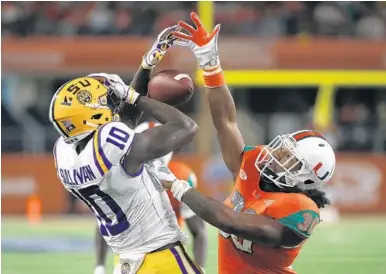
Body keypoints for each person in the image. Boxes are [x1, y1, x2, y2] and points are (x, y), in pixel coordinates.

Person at [158, 13, 336, 274]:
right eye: (283, 149)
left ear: (306, 178)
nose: (276, 155)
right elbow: (226, 122)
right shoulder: (254, 168)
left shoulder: (301, 209)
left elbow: (230, 222)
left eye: (290, 158)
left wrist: (175, 185)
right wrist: (210, 64)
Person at [50, 25, 203, 274]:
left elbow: (124, 121)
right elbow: (186, 127)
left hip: (126, 262)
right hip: (160, 260)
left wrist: (147, 63)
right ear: (91, 116)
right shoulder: (113, 143)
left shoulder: (65, 154)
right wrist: (135, 98)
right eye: (106, 103)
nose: (113, 107)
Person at [94, 121, 208, 274]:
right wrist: (100, 266)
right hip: (130, 256)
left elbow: (198, 231)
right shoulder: (118, 177)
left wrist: (201, 267)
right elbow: (107, 221)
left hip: (166, 251)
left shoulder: (180, 176)